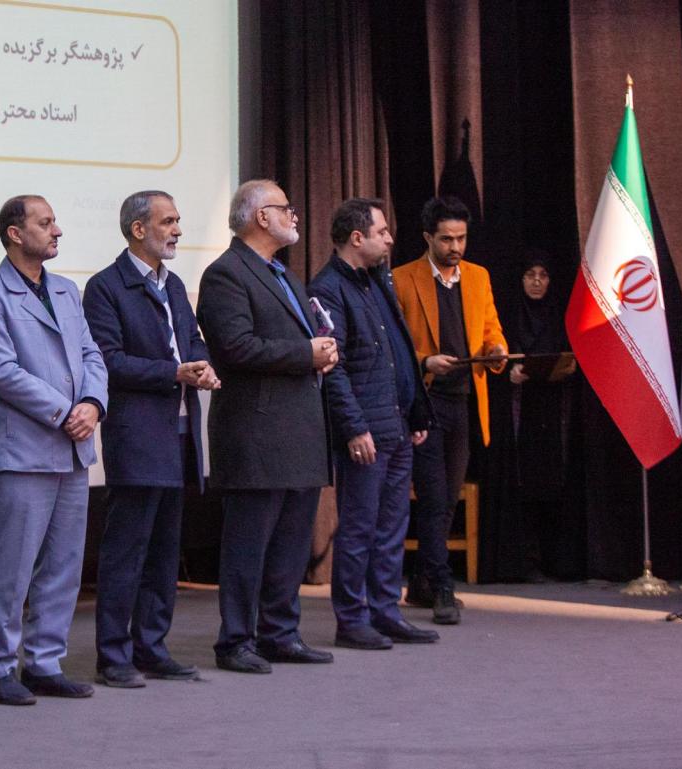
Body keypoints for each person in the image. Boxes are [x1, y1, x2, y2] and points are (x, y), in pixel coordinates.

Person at [0, 194, 108, 705]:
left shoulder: (67, 290)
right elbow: (1, 371)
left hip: (73, 449)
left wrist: (93, 404)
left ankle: (45, 663)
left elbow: (92, 354)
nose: (57, 231)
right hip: (25, 450)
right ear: (15, 233)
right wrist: (65, 411)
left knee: (65, 565)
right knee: (13, 567)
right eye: (46, 223)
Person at [196, 179, 338, 674]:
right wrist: (305, 353)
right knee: (248, 546)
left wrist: (322, 352)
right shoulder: (226, 274)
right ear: (261, 217)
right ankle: (235, 641)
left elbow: (300, 341)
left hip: (299, 432)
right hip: (255, 435)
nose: (294, 216)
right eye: (285, 208)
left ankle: (281, 634)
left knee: (291, 545)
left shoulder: (284, 275)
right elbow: (234, 348)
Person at [81, 190, 219, 688]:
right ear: (138, 229)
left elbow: (193, 341)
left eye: (178, 220)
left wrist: (202, 366)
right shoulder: (105, 287)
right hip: (137, 436)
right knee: (127, 553)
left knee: (164, 553)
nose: (178, 230)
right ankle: (113, 656)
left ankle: (152, 648)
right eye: (169, 221)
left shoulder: (175, 284)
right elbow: (108, 361)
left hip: (180, 435)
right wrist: (173, 372)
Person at [309, 198, 438, 651]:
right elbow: (333, 368)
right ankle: (352, 619)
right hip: (366, 431)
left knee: (391, 528)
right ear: (356, 237)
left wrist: (415, 412)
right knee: (360, 528)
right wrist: (353, 427)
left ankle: (386, 612)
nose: (389, 239)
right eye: (382, 232)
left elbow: (399, 352)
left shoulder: (378, 279)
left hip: (396, 424)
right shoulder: (328, 289)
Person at [392, 196, 507, 625]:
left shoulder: (478, 277)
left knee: (447, 497)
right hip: (425, 402)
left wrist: (497, 351)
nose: (455, 246)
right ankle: (441, 586)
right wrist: (426, 361)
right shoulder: (402, 278)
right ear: (428, 237)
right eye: (446, 239)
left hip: (463, 401)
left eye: (461, 238)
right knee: (434, 496)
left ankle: (423, 582)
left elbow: (492, 330)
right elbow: (395, 347)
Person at [503, 251, 579, 580]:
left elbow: (571, 357)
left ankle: (556, 560)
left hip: (553, 410)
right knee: (524, 484)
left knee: (554, 483)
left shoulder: (560, 317)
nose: (536, 282)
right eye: (530, 275)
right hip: (520, 412)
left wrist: (567, 368)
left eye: (543, 275)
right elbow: (494, 358)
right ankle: (525, 560)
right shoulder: (509, 317)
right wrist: (508, 372)